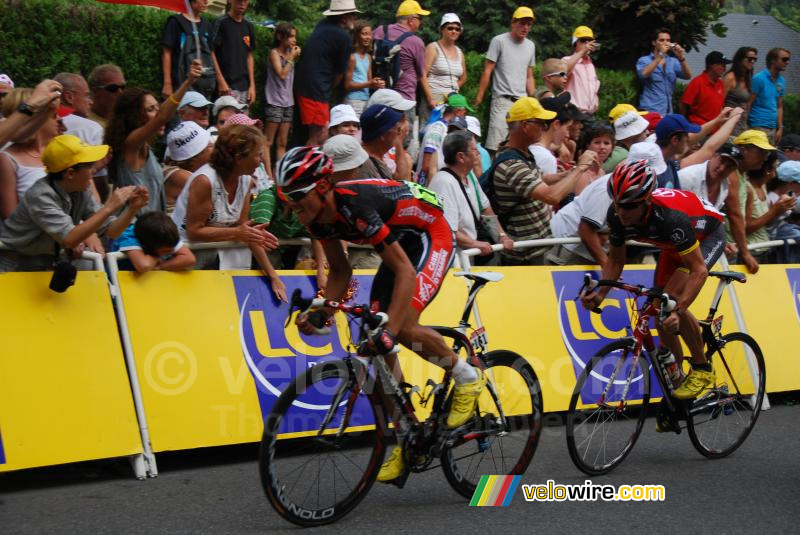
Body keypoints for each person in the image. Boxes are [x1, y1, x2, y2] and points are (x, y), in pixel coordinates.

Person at [275, 145, 486, 484]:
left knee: (399, 330)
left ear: (324, 187)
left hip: (431, 233)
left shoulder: (354, 206)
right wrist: (321, 312)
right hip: (400, 238)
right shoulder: (318, 220)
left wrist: (391, 325)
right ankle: (407, 435)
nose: (297, 213)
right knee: (375, 343)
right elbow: (341, 272)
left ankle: (468, 378)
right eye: (291, 205)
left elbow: (404, 270)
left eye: (300, 202)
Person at [581, 160, 726, 403]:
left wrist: (678, 311)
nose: (621, 211)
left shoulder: (670, 217)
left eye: (628, 206)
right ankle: (679, 393)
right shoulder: (617, 215)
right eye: (616, 204)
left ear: (646, 201)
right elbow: (616, 261)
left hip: (706, 235)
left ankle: (702, 369)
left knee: (669, 304)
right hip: (673, 244)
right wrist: (600, 294)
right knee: (659, 311)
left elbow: (698, 271)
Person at [0, 135, 148, 272]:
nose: (93, 172)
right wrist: (110, 207)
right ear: (70, 173)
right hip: (15, 264)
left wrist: (132, 209)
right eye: (89, 166)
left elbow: (112, 231)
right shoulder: (41, 195)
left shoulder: (80, 190)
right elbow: (70, 239)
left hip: (46, 261)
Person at [171, 124, 283, 297]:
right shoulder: (205, 181)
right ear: (239, 157)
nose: (261, 161)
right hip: (187, 258)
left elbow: (243, 231)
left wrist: (273, 276)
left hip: (217, 258)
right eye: (258, 155)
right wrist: (238, 233)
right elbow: (194, 231)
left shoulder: (246, 180)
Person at [491, 97, 597, 265]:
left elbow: (540, 179)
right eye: (540, 122)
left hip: (537, 247)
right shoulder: (511, 164)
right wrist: (580, 168)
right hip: (526, 255)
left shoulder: (521, 153)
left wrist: (566, 174)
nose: (544, 127)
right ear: (525, 126)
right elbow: (552, 197)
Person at [105, 60, 204, 214]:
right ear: (136, 117)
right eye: (151, 109)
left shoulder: (146, 147)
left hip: (152, 230)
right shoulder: (130, 145)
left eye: (158, 107)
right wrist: (188, 82)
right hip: (132, 232)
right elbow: (162, 117)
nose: (158, 113)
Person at [429, 130, 513, 262]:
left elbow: (485, 208)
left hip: (470, 256)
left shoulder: (469, 175)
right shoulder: (443, 183)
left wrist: (502, 236)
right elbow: (446, 228)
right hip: (453, 260)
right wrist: (475, 244)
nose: (478, 153)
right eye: (474, 149)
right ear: (461, 157)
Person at [294, 0, 359, 146]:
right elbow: (339, 74)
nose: (355, 18)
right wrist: (328, 90)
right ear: (343, 18)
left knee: (312, 133)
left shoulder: (322, 25)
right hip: (316, 90)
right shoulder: (343, 38)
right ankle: (306, 167)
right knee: (319, 135)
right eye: (353, 15)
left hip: (305, 85)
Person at [474, 6, 537, 154]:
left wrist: (533, 99)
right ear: (513, 22)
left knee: (519, 146)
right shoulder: (499, 41)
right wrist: (480, 96)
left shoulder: (530, 46)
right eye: (522, 23)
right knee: (495, 146)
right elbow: (488, 70)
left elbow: (529, 75)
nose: (525, 27)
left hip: (522, 102)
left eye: (529, 24)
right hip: (502, 100)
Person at [0, 89, 60, 222]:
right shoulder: (6, 159)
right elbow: (10, 215)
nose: (59, 119)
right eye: (53, 114)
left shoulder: (60, 149)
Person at [373, 0, 429, 134]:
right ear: (411, 20)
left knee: (380, 134)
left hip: (379, 94)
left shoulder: (380, 31)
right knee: (403, 137)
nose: (420, 23)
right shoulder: (416, 42)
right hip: (404, 98)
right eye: (419, 18)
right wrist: (431, 99)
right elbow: (421, 74)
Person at [264, 21, 299, 179]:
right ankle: (268, 175)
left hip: (288, 102)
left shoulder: (290, 54)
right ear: (280, 36)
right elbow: (282, 74)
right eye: (290, 36)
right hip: (274, 101)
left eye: (294, 37)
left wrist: (291, 56)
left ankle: (280, 174)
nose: (294, 40)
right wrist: (291, 57)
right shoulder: (274, 53)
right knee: (268, 141)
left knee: (283, 142)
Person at [161, 0, 215, 99]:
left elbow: (211, 54)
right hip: (180, 83)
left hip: (203, 86)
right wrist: (167, 83)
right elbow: (167, 52)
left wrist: (219, 79)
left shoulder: (207, 25)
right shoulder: (175, 22)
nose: (206, 2)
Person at [111, 211, 196, 272]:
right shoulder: (128, 236)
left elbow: (189, 259)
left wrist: (160, 266)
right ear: (147, 246)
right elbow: (144, 266)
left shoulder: (166, 234)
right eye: (165, 251)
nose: (171, 252)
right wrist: (156, 257)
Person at [417, 93, 471, 185]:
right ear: (458, 112)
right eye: (464, 112)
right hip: (429, 187)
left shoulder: (444, 128)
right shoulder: (437, 130)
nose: (464, 116)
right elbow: (426, 164)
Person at [421, 13, 466, 124]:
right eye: (450, 28)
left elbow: (463, 78)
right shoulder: (433, 47)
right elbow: (423, 74)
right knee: (430, 134)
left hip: (452, 102)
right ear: (442, 29)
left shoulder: (460, 52)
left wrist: (452, 91)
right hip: (434, 101)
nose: (454, 31)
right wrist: (430, 98)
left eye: (457, 29)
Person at [635, 28, 691, 114]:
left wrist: (681, 58)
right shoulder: (644, 60)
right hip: (650, 110)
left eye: (668, 40)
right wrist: (660, 55)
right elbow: (644, 74)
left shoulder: (672, 61)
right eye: (662, 40)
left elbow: (687, 76)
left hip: (668, 111)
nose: (665, 43)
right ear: (654, 43)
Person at [211, 0, 256, 105]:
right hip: (226, 87)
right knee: (226, 120)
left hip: (245, 87)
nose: (242, 3)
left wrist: (252, 85)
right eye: (239, 0)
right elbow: (211, 51)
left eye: (245, 0)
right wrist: (220, 80)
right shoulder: (221, 22)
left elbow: (249, 55)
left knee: (243, 121)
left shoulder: (249, 26)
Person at [744, 153, 788, 261]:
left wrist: (780, 210)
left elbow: (766, 223)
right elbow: (746, 228)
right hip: (751, 252)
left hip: (763, 249)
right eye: (775, 167)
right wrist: (773, 211)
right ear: (766, 170)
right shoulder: (747, 188)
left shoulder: (763, 185)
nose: (775, 173)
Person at [162, 121, 213, 213]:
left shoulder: (186, 171)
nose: (213, 147)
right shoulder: (180, 176)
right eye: (209, 146)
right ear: (195, 156)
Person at [749, 47, 790, 144]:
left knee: (770, 158)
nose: (787, 62)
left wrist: (780, 128)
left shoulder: (781, 81)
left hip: (773, 127)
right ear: (773, 61)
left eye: (788, 59)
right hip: (757, 125)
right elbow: (749, 103)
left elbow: (779, 106)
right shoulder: (759, 78)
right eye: (784, 59)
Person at [680, 51, 731, 126]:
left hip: (714, 129)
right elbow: (683, 104)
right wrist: (684, 125)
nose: (724, 69)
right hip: (698, 127)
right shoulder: (697, 82)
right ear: (712, 66)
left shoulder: (720, 83)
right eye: (722, 65)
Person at [356, 104, 406, 180]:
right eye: (398, 129)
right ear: (383, 135)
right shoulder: (365, 166)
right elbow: (402, 179)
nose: (399, 133)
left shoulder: (377, 159)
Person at [345, 20, 384, 117]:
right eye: (364, 34)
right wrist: (369, 83)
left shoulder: (368, 57)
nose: (368, 37)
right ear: (356, 35)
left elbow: (369, 82)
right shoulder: (352, 57)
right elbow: (347, 85)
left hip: (366, 100)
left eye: (370, 34)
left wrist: (376, 83)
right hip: (353, 101)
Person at [561, 26, 600, 114]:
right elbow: (563, 72)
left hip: (590, 114)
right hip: (573, 113)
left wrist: (596, 103)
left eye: (589, 40)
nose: (587, 43)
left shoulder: (591, 64)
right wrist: (582, 52)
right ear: (575, 43)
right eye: (583, 40)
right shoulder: (566, 60)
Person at [723, 46, 758, 137]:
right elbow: (719, 102)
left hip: (742, 124)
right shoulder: (730, 77)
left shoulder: (748, 79)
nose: (753, 61)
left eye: (755, 59)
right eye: (750, 59)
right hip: (729, 124)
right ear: (740, 59)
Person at [87, 64, 126, 129]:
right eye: (113, 88)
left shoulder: (126, 120)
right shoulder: (86, 124)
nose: (120, 92)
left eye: (122, 87)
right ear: (95, 91)